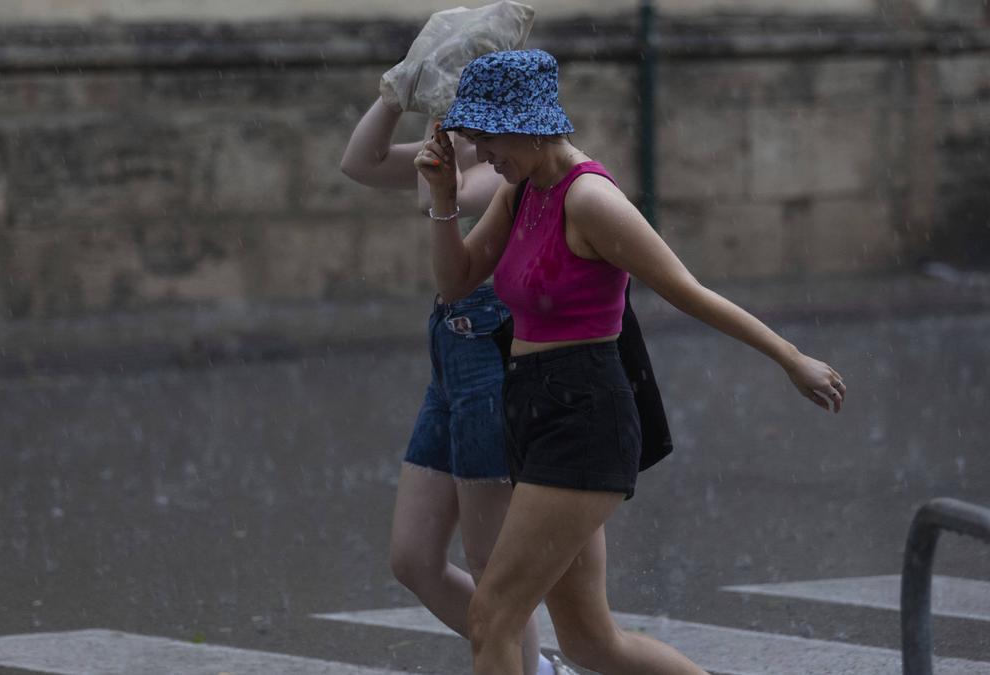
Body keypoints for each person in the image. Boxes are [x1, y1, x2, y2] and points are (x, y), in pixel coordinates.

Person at [414, 49, 847, 675]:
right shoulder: (519, 194)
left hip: (582, 414)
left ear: (526, 124)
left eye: (486, 136)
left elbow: (688, 291)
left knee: (493, 616)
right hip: (529, 407)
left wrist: (790, 357)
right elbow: (455, 283)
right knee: (592, 643)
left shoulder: (589, 200)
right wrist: (442, 197)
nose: (481, 154)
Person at [340, 90, 574, 675]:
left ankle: (525, 670)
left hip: (491, 353)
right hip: (451, 353)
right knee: (414, 559)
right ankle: (538, 669)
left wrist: (440, 128)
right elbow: (359, 163)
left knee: (491, 563)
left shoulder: (511, 167)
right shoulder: (466, 150)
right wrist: (395, 92)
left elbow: (433, 196)